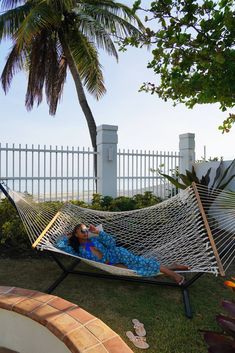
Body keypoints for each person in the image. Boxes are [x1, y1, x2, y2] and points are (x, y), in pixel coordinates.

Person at [69, 223, 188, 284]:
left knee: (142, 263)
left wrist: (98, 232)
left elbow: (112, 243)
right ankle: (173, 266)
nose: (85, 232)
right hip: (110, 264)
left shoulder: (94, 238)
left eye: (86, 230)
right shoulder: (78, 249)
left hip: (117, 254)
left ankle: (172, 274)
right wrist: (67, 236)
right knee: (137, 270)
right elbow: (61, 245)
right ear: (75, 234)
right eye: (82, 231)